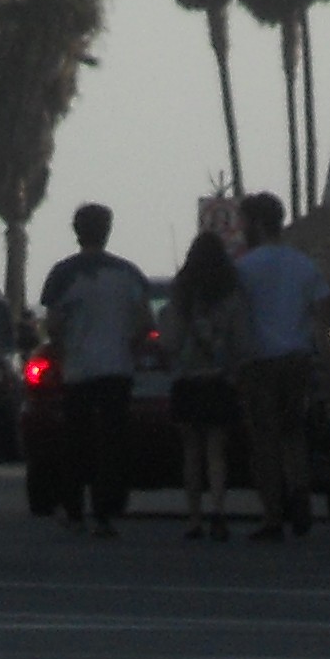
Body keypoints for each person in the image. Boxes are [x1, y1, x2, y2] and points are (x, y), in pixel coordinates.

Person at [38, 202, 155, 537]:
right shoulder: (128, 274)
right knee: (113, 441)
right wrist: (129, 345)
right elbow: (146, 320)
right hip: (117, 367)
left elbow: (53, 324)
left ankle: (74, 508)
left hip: (79, 368)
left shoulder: (64, 275)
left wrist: (63, 348)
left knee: (77, 440)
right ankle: (106, 510)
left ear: (77, 231)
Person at [230, 191, 330, 540]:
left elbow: (236, 318)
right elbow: (321, 319)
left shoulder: (244, 268)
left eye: (245, 221)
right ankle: (300, 493)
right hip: (297, 359)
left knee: (264, 439)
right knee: (293, 434)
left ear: (257, 223)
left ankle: (273, 514)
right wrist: (328, 365)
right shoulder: (303, 265)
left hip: (259, 362)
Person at [160, 229, 256, 542]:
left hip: (187, 380)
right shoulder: (231, 294)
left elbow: (170, 341)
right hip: (220, 381)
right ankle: (218, 510)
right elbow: (242, 342)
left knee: (191, 452)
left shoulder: (181, 295)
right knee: (217, 451)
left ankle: (194, 517)